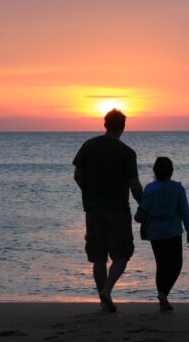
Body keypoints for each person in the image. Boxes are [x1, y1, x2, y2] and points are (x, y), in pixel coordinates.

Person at [73, 109, 143, 313]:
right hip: (118, 209)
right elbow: (135, 186)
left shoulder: (88, 146)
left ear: (105, 124)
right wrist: (145, 206)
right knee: (122, 254)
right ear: (123, 126)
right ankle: (107, 290)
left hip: (93, 209)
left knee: (98, 257)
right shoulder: (127, 153)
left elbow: (77, 175)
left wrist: (89, 193)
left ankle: (104, 300)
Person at [134, 156, 189, 312]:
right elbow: (185, 212)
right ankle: (163, 294)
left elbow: (143, 212)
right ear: (172, 171)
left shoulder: (149, 189)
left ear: (155, 171)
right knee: (176, 265)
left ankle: (162, 298)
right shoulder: (177, 189)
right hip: (172, 232)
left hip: (155, 233)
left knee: (161, 265)